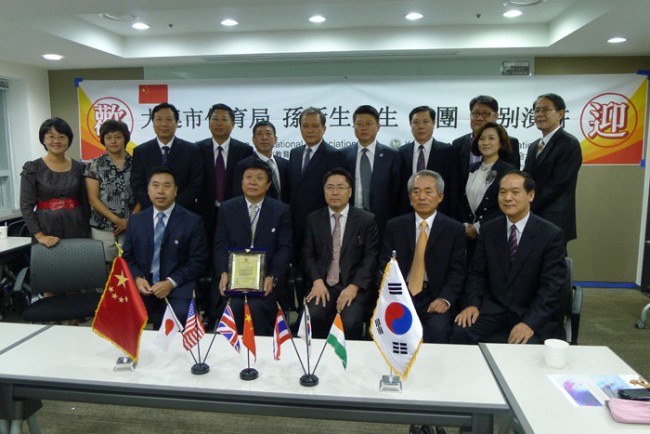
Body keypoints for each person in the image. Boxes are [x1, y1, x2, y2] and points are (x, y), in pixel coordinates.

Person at [452, 171, 567, 345]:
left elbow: (551, 288)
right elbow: (476, 274)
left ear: (530, 195)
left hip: (530, 313)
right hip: (493, 310)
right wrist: (472, 304)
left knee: (526, 345)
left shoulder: (551, 235)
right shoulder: (488, 230)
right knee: (461, 331)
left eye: (515, 192)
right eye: (503, 192)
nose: (507, 198)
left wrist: (530, 323)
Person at [380, 170, 466, 343]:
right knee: (389, 329)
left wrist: (445, 299)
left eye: (428, 191)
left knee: (438, 329)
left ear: (440, 197)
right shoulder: (395, 226)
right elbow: (384, 265)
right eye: (416, 191)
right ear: (410, 197)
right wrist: (393, 295)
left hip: (435, 296)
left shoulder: (454, 229)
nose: (421, 197)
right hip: (400, 293)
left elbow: (458, 271)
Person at [122, 166, 208, 329]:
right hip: (144, 286)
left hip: (178, 286)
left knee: (180, 315)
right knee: (124, 312)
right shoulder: (136, 221)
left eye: (167, 186)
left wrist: (170, 282)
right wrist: (137, 278)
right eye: (155, 185)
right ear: (148, 190)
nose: (160, 191)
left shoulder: (192, 221)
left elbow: (198, 260)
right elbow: (127, 257)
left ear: (175, 190)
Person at [215, 159, 292, 335]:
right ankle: (231, 350)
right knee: (234, 306)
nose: (253, 182)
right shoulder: (227, 208)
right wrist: (223, 273)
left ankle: (259, 350)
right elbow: (220, 245)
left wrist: (272, 276)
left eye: (259, 178)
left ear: (268, 184)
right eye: (248, 177)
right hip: (233, 281)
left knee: (256, 307)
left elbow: (284, 248)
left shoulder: (281, 211)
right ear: (241, 181)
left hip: (266, 283)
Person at [302, 168, 379, 340]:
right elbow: (307, 255)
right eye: (330, 187)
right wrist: (317, 281)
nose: (335, 192)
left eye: (340, 187)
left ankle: (349, 357)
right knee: (311, 316)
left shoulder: (366, 220)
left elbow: (371, 258)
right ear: (324, 191)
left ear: (350, 192)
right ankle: (317, 356)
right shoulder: (313, 219)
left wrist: (354, 287)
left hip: (353, 286)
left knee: (349, 322)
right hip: (323, 285)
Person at [288, 107, 343, 302]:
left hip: (321, 224)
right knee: (299, 268)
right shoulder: (295, 153)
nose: (310, 130)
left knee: (318, 270)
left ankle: (319, 307)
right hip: (296, 223)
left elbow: (336, 192)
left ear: (324, 128)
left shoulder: (334, 155)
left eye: (315, 126)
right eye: (305, 126)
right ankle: (302, 310)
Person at [20, 117, 90, 247]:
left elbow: (85, 203)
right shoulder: (33, 168)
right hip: (46, 230)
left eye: (62, 137)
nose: (56, 141)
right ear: (43, 140)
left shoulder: (79, 168)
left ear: (69, 140)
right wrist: (40, 236)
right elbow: (26, 206)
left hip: (77, 226)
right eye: (51, 137)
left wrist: (89, 230)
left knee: (78, 259)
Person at [524, 93, 582, 247]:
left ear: (560, 114)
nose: (539, 114)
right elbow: (526, 177)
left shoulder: (569, 143)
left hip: (555, 218)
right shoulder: (534, 146)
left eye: (546, 110)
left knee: (552, 260)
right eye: (537, 110)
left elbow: (559, 184)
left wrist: (527, 203)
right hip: (531, 216)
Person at [130, 102, 203, 212]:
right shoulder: (141, 151)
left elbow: (196, 184)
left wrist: (173, 208)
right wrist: (155, 207)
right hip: (150, 212)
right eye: (159, 119)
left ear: (177, 123)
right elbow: (137, 184)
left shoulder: (192, 150)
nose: (164, 124)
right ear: (153, 123)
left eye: (169, 119)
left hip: (184, 211)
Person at [84, 120, 140, 262]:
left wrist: (129, 221)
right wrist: (117, 220)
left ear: (125, 139)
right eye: (108, 137)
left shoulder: (137, 163)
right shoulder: (94, 164)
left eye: (118, 137)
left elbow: (143, 194)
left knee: (130, 265)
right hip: (103, 225)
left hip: (132, 224)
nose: (113, 141)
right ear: (103, 140)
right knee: (105, 266)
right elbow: (93, 199)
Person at [342, 105, 401, 238]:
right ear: (354, 127)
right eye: (359, 124)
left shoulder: (392, 156)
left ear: (378, 126)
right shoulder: (344, 155)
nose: (364, 128)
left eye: (369, 123)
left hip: (382, 220)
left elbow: (396, 191)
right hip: (350, 218)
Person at [460, 122, 516, 260]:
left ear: (501, 143)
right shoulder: (472, 168)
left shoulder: (508, 171)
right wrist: (466, 225)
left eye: (491, 138)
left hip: (494, 234)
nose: (485, 142)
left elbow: (506, 206)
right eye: (482, 138)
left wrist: (478, 227)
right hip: (468, 237)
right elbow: (463, 200)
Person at [198, 103, 254, 237]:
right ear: (208, 123)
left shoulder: (245, 151)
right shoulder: (198, 149)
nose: (219, 123)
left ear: (233, 124)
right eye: (215, 119)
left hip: (235, 211)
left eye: (224, 119)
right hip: (204, 213)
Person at [398, 106, 456, 217]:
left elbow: (453, 188)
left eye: (425, 122)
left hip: (439, 214)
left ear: (434, 123)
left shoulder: (448, 152)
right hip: (406, 214)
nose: (421, 126)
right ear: (410, 124)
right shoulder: (401, 152)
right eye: (416, 122)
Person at [452, 95, 521, 185]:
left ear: (496, 116)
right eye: (476, 113)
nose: (479, 118)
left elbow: (513, 177)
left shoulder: (510, 142)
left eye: (485, 114)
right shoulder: (458, 143)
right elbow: (454, 178)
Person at [231, 121, 289, 203]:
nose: (264, 137)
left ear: (275, 139)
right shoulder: (243, 166)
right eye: (259, 134)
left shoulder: (285, 164)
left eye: (268, 133)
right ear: (253, 140)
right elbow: (238, 196)